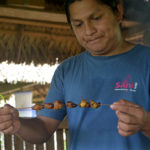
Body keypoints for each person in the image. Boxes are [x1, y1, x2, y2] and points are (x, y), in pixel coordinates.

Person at [0, 0, 150, 149]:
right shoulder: (66, 70)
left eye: (96, 18)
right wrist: (19, 124)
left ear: (118, 12)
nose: (89, 30)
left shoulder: (146, 61)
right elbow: (44, 127)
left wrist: (145, 123)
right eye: (79, 24)